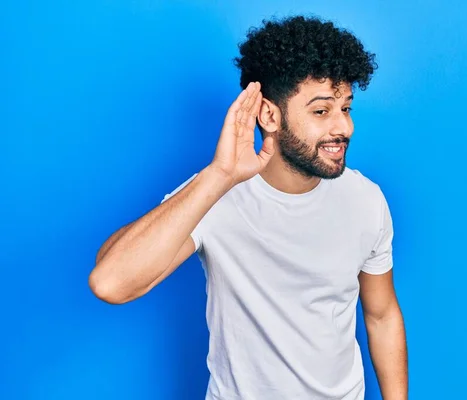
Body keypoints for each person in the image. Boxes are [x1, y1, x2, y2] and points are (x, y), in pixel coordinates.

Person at [89, 15, 408, 400]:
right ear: (270, 115)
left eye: (346, 108)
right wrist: (220, 174)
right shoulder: (215, 194)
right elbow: (111, 283)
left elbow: (381, 314)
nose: (344, 127)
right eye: (322, 111)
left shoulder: (366, 200)